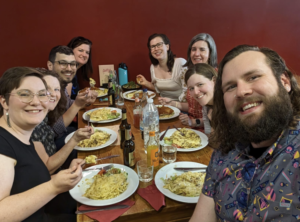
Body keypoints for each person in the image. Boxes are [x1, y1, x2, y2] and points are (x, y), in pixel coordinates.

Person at [190, 45, 300, 222]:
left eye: (253, 77)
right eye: (231, 86)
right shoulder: (223, 153)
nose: (241, 92)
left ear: (284, 82)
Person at [0, 67, 88, 221]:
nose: (36, 102)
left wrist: (67, 173)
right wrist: (53, 187)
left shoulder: (23, 135)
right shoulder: (3, 143)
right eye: (25, 94)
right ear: (4, 101)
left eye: (42, 94)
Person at [160, 33, 218, 128]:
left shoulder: (217, 77)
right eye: (193, 49)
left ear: (210, 53)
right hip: (190, 123)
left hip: (209, 129)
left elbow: (216, 119)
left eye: (202, 49)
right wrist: (173, 103)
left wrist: (195, 122)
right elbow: (193, 107)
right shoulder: (190, 74)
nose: (196, 54)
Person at [47, 45, 97, 149]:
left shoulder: (61, 83)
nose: (69, 68)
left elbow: (66, 103)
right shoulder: (46, 89)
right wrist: (77, 105)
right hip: (52, 145)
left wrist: (83, 101)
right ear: (50, 65)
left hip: (64, 134)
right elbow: (53, 131)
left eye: (72, 64)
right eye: (63, 63)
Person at [137, 33, 187, 102]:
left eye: (159, 45)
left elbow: (188, 91)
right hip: (163, 104)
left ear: (167, 47)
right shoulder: (153, 67)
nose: (156, 48)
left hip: (181, 107)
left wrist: (174, 104)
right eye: (153, 46)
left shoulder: (180, 63)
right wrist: (146, 83)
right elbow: (159, 89)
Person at [185, 63, 217, 135]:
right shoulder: (206, 104)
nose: (196, 92)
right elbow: (208, 133)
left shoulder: (227, 105)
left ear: (214, 81)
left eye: (200, 84)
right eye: (191, 88)